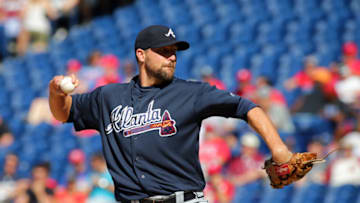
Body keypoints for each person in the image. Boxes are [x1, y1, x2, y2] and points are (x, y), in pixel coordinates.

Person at [48, 25, 293, 202]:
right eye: (163, 51)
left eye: (174, 51)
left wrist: (279, 148)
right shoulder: (108, 97)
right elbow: (64, 113)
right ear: (141, 55)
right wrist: (56, 92)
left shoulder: (192, 93)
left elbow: (247, 107)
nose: (172, 57)